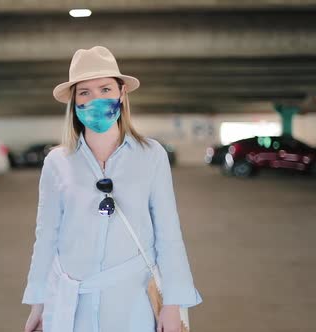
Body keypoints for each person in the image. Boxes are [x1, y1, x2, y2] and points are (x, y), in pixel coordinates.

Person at [22, 46, 202, 332]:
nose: (96, 99)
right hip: (72, 306)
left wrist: (173, 305)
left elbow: (168, 234)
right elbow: (46, 237)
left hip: (133, 302)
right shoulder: (57, 162)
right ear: (74, 101)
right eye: (85, 92)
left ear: (121, 94)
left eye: (105, 89)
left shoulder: (150, 154)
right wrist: (38, 304)